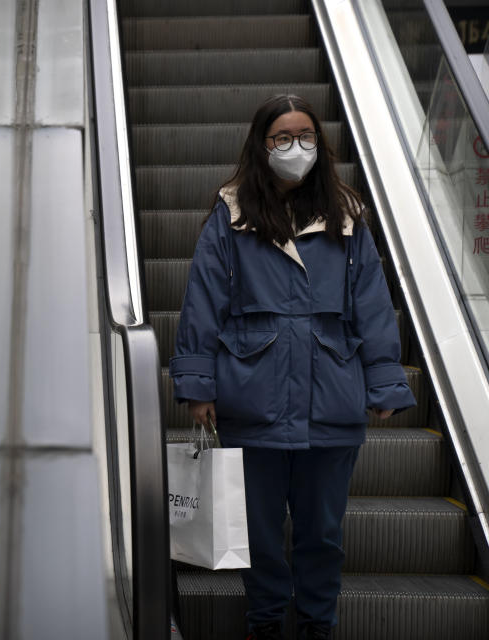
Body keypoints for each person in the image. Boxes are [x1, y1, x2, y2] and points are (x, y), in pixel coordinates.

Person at [169, 94, 416, 640]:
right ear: (262, 145)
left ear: (320, 144)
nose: (295, 148)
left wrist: (384, 383)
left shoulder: (347, 216)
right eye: (282, 138)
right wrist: (198, 384)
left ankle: (316, 626)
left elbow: (372, 305)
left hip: (330, 400)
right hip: (251, 398)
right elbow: (203, 301)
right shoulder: (231, 215)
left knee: (322, 533)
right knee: (258, 533)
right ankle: (264, 624)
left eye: (306, 136)